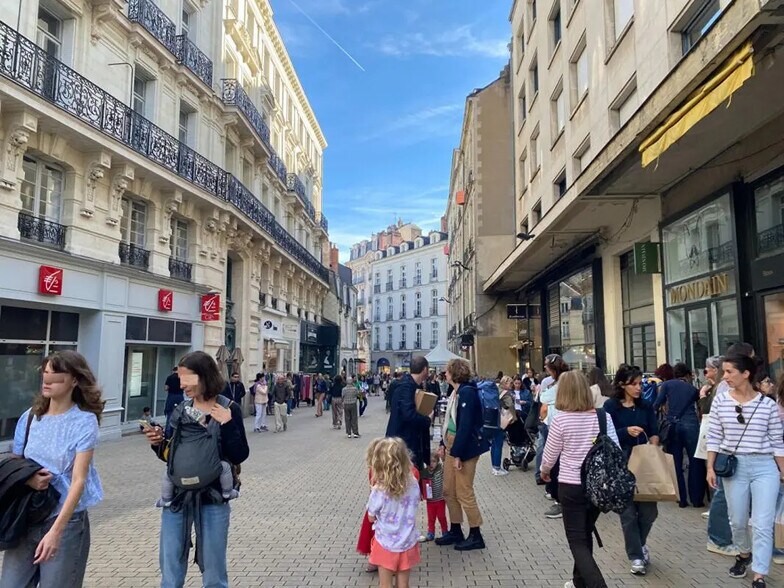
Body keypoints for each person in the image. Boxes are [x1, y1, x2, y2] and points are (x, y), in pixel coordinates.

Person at [144, 350, 249, 588]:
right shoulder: (181, 410)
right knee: (170, 569)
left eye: (187, 379)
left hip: (212, 497)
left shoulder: (228, 408)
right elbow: (171, 456)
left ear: (204, 376)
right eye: (181, 379)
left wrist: (228, 423)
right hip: (178, 497)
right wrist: (157, 443)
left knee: (213, 571)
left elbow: (240, 454)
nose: (182, 384)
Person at [0, 351, 104, 588]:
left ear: (75, 380)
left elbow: (79, 480)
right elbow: (16, 464)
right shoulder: (29, 417)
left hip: (65, 520)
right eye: (45, 373)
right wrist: (29, 480)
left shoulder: (83, 421)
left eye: (56, 375)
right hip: (27, 515)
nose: (48, 380)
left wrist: (56, 532)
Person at [706, 354, 784, 588]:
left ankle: (760, 572)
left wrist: (782, 471)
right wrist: (710, 466)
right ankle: (743, 553)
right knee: (738, 520)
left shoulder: (768, 404)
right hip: (734, 466)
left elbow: (777, 441)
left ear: (746, 374)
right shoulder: (720, 401)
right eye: (724, 372)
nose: (725, 376)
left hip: (764, 467)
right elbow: (714, 437)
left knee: (762, 522)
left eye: (729, 372)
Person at [541, 370, 619, 588]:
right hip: (597, 486)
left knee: (576, 540)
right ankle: (579, 582)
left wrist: (544, 471)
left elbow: (550, 454)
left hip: (571, 485)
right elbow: (616, 449)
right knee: (585, 533)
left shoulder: (561, 420)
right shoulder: (603, 416)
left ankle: (596, 584)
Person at [604, 365, 660, 576]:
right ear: (622, 385)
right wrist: (625, 431)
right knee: (627, 514)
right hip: (621, 463)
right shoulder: (611, 407)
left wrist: (653, 445)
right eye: (634, 384)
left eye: (640, 383)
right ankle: (636, 556)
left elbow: (654, 432)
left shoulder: (646, 406)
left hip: (644, 463)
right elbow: (606, 436)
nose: (639, 388)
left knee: (649, 512)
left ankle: (640, 544)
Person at [435, 358, 488, 551]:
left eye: (447, 371)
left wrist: (457, 454)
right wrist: (443, 443)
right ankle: (455, 528)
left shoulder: (467, 393)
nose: (444, 374)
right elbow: (450, 420)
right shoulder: (455, 392)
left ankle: (476, 534)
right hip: (452, 443)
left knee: (464, 490)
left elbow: (465, 426)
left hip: (464, 447)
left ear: (454, 372)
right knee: (449, 489)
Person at [365, 437, 421, 588]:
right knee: (403, 585)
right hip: (408, 540)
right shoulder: (413, 483)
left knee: (385, 585)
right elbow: (416, 503)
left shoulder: (379, 491)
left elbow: (370, 517)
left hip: (385, 542)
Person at [654, 362, 705, 508]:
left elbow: (657, 404)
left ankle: (681, 498)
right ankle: (697, 499)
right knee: (696, 462)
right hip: (691, 426)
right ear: (688, 375)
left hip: (672, 426)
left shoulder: (667, 385)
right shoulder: (693, 389)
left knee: (676, 462)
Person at [385, 358, 432, 469]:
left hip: (406, 441)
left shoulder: (409, 385)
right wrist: (427, 419)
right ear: (425, 369)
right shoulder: (406, 387)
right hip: (403, 443)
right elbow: (408, 415)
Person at [539, 354, 571, 518]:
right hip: (560, 425)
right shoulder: (563, 381)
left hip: (558, 426)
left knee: (557, 463)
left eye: (546, 366)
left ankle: (561, 502)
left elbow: (543, 397)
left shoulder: (560, 383)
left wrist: (544, 469)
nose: (545, 369)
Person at [490, 376, 517, 476]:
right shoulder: (506, 393)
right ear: (505, 383)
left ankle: (494, 466)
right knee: (498, 444)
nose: (512, 385)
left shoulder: (496, 389)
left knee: (493, 444)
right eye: (510, 383)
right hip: (501, 420)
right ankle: (497, 468)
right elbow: (510, 405)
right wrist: (514, 417)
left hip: (492, 419)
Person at [419, 449, 447, 542]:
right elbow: (420, 483)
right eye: (429, 462)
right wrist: (421, 493)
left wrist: (443, 455)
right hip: (430, 500)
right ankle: (431, 532)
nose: (431, 464)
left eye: (434, 461)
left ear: (437, 461)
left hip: (440, 499)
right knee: (431, 517)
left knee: (442, 516)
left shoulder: (440, 469)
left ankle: (445, 531)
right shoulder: (424, 472)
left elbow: (445, 464)